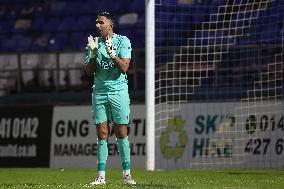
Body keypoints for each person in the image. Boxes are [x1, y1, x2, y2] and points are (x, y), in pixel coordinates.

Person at [84, 12, 136, 185]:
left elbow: (125, 67)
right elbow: (89, 71)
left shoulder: (123, 41)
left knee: (121, 131)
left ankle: (127, 175)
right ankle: (101, 177)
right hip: (99, 92)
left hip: (119, 91)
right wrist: (92, 55)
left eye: (101, 22)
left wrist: (113, 54)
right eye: (96, 22)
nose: (97, 25)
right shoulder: (94, 43)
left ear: (110, 25)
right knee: (102, 133)